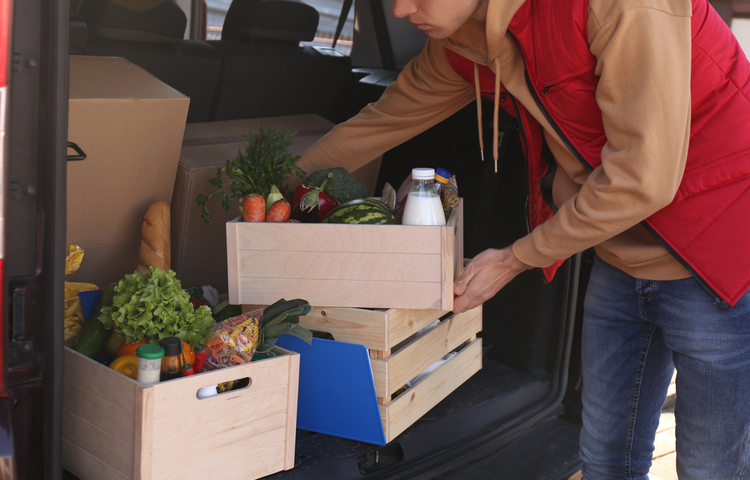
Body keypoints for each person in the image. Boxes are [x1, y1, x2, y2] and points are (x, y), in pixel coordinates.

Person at [299, 0, 750, 478]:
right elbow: (376, 125)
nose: (399, 9)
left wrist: (516, 258)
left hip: (720, 256)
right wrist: (273, 189)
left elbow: (645, 178)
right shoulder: (464, 44)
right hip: (620, 255)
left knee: (711, 467)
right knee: (603, 459)